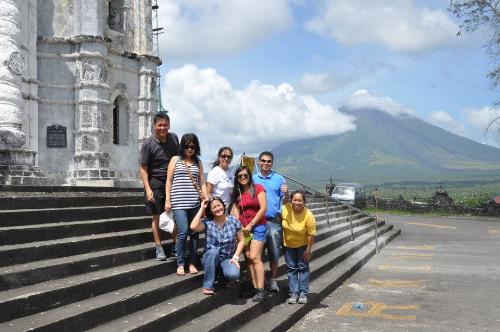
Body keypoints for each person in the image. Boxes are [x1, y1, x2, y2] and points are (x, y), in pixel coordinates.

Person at [165, 133, 207, 276]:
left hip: (194, 203)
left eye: (193, 146)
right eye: (187, 146)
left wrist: (205, 198)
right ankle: (181, 263)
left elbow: (202, 182)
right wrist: (167, 200)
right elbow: (169, 180)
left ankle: (193, 263)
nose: (190, 149)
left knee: (194, 233)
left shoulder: (198, 162)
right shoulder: (175, 160)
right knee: (183, 232)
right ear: (182, 146)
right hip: (178, 203)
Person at [139, 113, 179, 261]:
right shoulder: (148, 144)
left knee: (174, 215)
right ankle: (159, 247)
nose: (163, 128)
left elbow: (178, 160)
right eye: (159, 125)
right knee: (156, 216)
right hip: (155, 183)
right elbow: (143, 168)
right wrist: (148, 189)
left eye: (165, 125)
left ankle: (175, 245)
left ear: (169, 125)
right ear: (154, 126)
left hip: (172, 182)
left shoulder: (174, 139)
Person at [190, 197, 245, 295]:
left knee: (233, 274)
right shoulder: (207, 222)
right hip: (210, 258)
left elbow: (241, 241)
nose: (217, 208)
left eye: (219, 205)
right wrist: (202, 208)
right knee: (213, 252)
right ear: (210, 211)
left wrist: (236, 257)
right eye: (214, 207)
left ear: (223, 206)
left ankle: (222, 279)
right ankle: (208, 286)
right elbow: (193, 227)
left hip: (227, 258)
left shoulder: (233, 220)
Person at [231, 166, 267, 302]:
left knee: (254, 256)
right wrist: (240, 228)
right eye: (239, 176)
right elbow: (235, 214)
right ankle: (254, 287)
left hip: (258, 226)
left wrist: (251, 225)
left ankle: (261, 289)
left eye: (245, 175)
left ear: (249, 176)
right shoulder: (236, 193)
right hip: (244, 229)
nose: (242, 178)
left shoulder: (258, 188)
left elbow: (263, 208)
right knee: (247, 257)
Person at [252, 151, 287, 292]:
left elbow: (285, 200)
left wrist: (287, 193)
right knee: (256, 254)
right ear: (259, 162)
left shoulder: (279, 178)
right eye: (263, 161)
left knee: (274, 252)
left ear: (272, 163)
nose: (266, 163)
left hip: (273, 221)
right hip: (257, 222)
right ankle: (258, 281)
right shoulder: (253, 178)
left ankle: (272, 280)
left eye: (269, 161)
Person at [281, 191, 316, 305]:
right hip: (288, 245)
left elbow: (311, 234)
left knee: (303, 268)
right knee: (291, 269)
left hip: (302, 245)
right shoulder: (285, 208)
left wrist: (308, 249)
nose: (297, 202)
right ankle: (294, 293)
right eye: (294, 200)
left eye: (299, 200)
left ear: (304, 202)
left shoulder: (308, 215)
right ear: (291, 200)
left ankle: (303, 294)